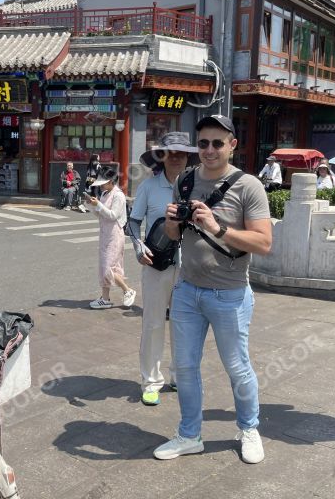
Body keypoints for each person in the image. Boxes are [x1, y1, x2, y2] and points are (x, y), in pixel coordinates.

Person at [155, 114, 272, 464]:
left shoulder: (248, 185)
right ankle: (190, 434)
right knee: (186, 367)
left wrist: (216, 226)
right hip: (188, 290)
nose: (209, 150)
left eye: (217, 143)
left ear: (232, 145)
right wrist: (174, 223)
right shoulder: (186, 181)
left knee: (236, 366)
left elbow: (264, 242)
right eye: (203, 143)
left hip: (230, 293)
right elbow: (174, 237)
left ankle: (249, 428)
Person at [127, 132, 197, 406]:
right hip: (156, 263)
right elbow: (133, 221)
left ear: (188, 156)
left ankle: (179, 375)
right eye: (172, 152)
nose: (177, 157)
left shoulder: (197, 186)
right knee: (154, 323)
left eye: (182, 152)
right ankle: (151, 381)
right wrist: (137, 246)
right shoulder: (148, 187)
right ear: (163, 156)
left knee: (184, 324)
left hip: (190, 266)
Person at [83, 166, 136, 309]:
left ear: (111, 181)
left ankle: (128, 290)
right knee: (104, 267)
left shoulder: (118, 195)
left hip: (115, 234)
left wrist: (98, 204)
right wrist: (91, 205)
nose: (101, 186)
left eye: (103, 183)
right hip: (105, 233)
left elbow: (113, 215)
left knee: (109, 268)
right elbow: (101, 214)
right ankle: (105, 298)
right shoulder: (106, 193)